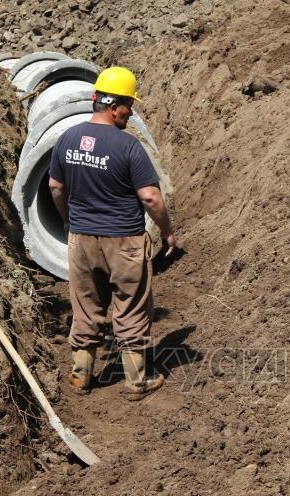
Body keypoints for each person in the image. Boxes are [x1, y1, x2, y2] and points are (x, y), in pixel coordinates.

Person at [48, 66, 177, 400]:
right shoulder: (128, 146)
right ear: (113, 105)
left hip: (81, 240)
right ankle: (137, 382)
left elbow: (56, 187)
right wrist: (167, 231)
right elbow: (150, 197)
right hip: (125, 241)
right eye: (128, 106)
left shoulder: (67, 139)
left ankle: (81, 377)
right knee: (131, 308)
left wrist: (69, 221)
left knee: (86, 306)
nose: (130, 113)